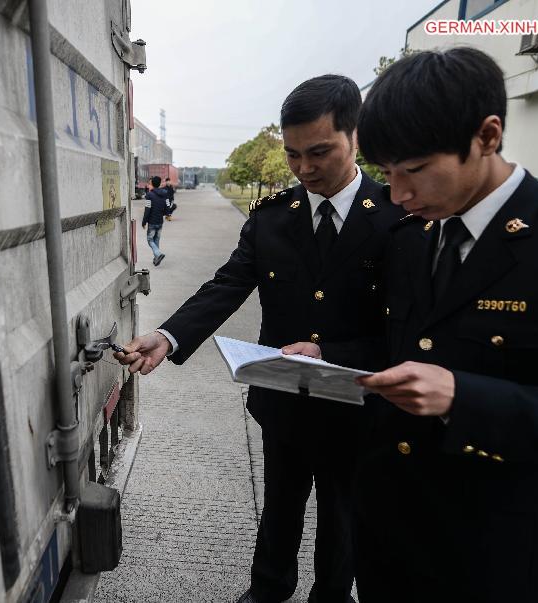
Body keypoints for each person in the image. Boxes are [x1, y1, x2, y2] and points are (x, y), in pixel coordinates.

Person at [345, 47, 538, 601]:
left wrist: (466, 398)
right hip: (386, 529)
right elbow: (403, 348)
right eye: (386, 173)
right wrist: (330, 357)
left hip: (489, 550)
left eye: (414, 170)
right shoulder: (412, 236)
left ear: (487, 136)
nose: (398, 194)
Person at [116, 74, 405, 603]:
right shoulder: (274, 218)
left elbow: (406, 327)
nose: (304, 168)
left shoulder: (396, 218)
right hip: (284, 401)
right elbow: (228, 283)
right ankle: (267, 591)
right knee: (279, 509)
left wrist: (332, 354)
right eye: (294, 155)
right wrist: (169, 335)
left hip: (358, 405)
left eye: (319, 152)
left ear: (355, 136)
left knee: (343, 521)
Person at [143, 175, 171, 266]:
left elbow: (147, 209)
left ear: (152, 183)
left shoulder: (149, 195)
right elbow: (167, 205)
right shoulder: (165, 193)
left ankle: (158, 254)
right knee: (156, 240)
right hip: (160, 221)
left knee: (150, 239)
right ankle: (156, 259)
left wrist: (144, 222)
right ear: (159, 184)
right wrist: (168, 214)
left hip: (152, 221)